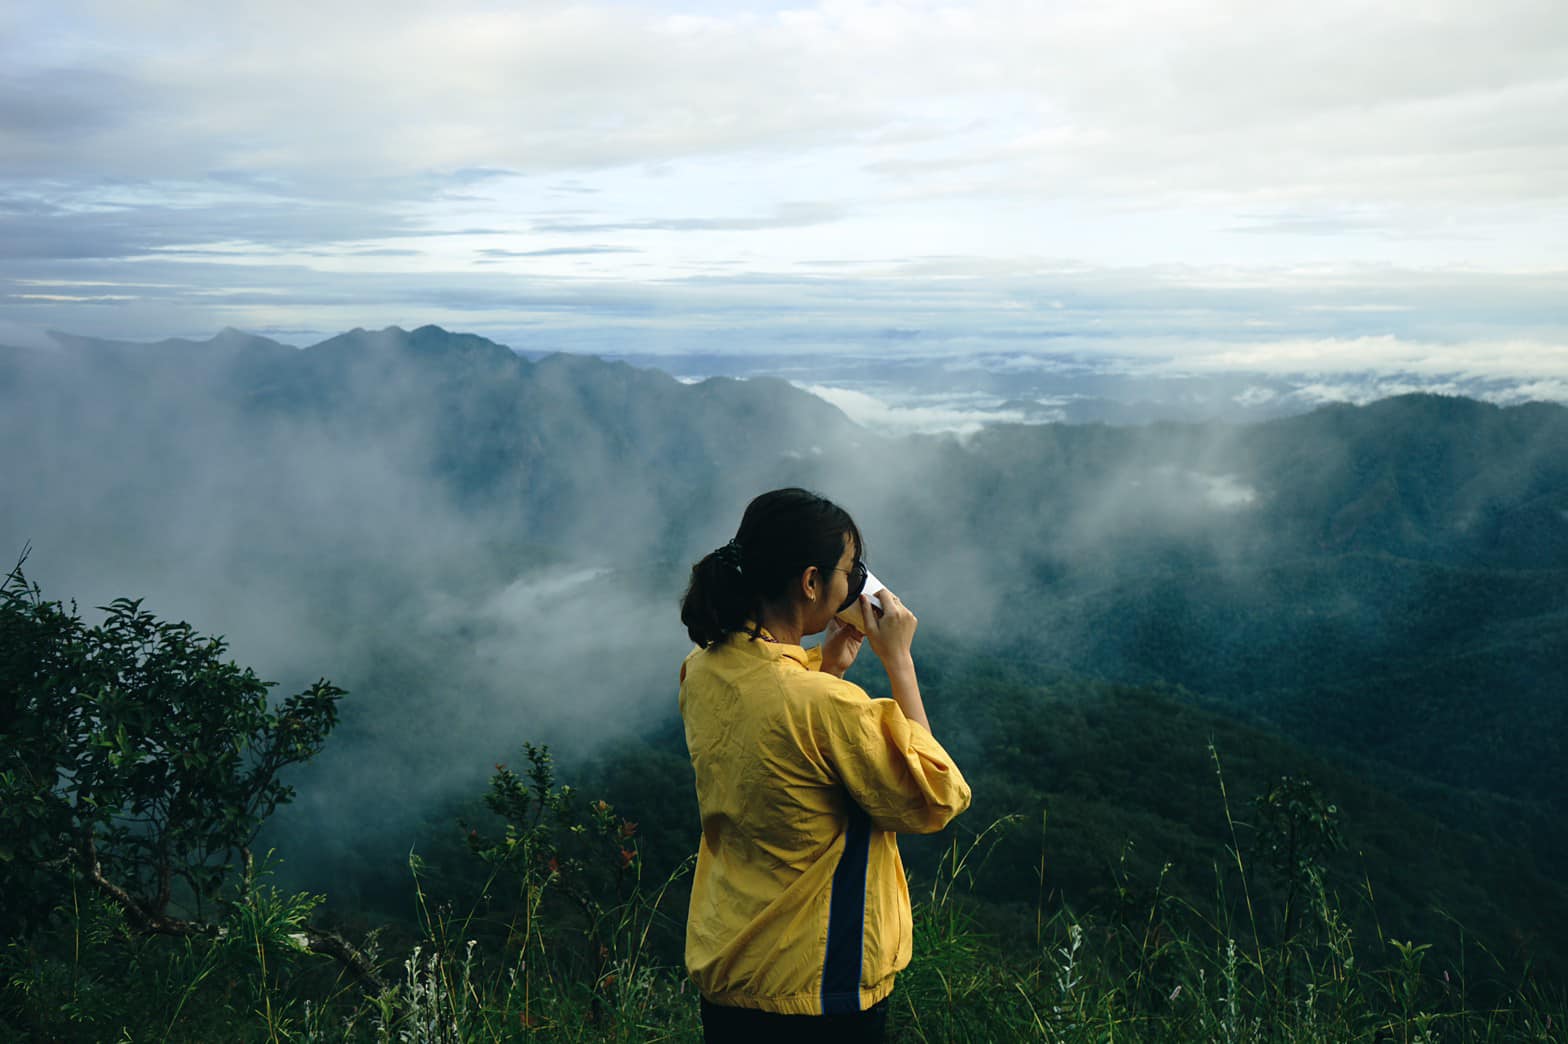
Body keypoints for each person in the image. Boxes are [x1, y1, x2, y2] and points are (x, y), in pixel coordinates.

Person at [677, 487, 972, 1043]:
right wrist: (899, 661)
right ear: (811, 583)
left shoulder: (704, 670)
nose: (856, 581)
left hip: (732, 971)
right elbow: (935, 797)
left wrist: (827, 668)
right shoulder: (825, 706)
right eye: (851, 568)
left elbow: (785, 756)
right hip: (817, 990)